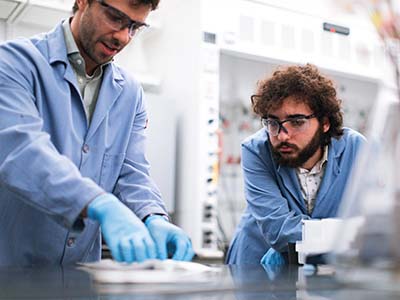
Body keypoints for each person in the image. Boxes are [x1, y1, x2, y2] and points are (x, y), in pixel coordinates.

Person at [0, 0, 194, 266]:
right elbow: (21, 152)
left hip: (81, 281)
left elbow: (131, 170)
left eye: (135, 27)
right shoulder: (14, 63)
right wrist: (99, 203)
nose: (124, 37)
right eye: (115, 18)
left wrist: (153, 216)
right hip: (11, 275)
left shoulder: (130, 93)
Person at [225, 64, 365, 264]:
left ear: (325, 123)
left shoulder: (356, 149)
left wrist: (317, 237)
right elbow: (279, 230)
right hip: (256, 266)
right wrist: (342, 233)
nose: (282, 135)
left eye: (297, 122)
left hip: (325, 270)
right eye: (273, 123)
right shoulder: (256, 150)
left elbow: (371, 227)